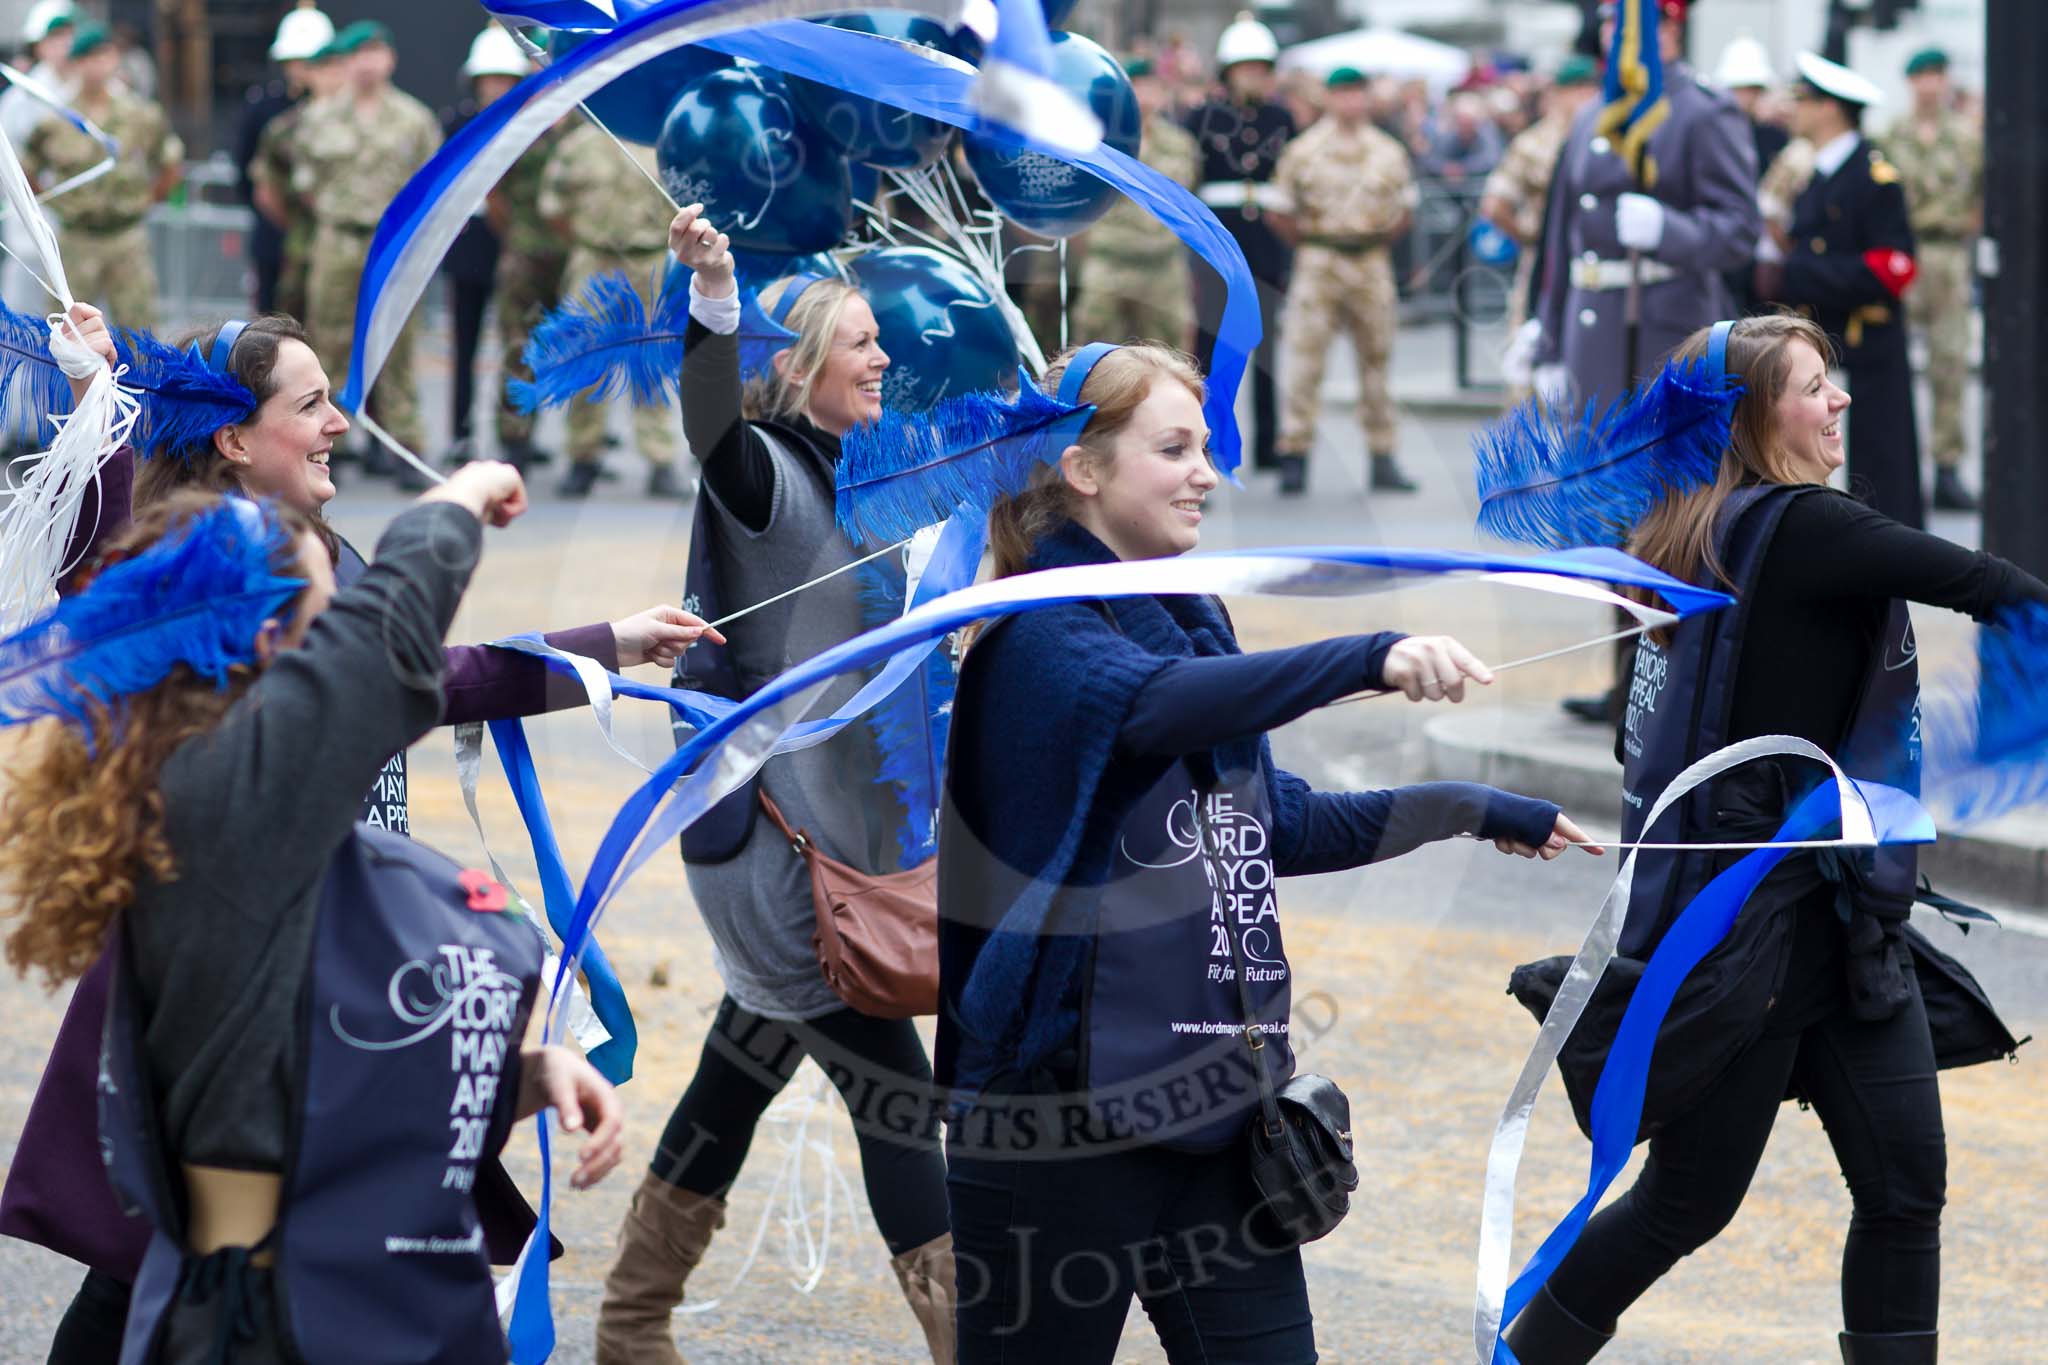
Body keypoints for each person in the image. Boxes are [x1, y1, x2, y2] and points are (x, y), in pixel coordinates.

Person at [0, 305, 720, 1364]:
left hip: (335, 993)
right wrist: (99, 408)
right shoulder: (207, 649)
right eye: (312, 403)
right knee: (181, 1266)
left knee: (182, 1274)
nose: (340, 421)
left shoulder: (313, 555)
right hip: (249, 1004)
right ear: (236, 438)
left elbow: (428, 673)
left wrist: (603, 647)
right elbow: (121, 578)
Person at [937, 339, 1598, 1361]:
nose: (1208, 471)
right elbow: (1149, 709)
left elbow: (1275, 823)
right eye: (1174, 448)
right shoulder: (1035, 633)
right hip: (1052, 1123)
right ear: (1081, 468)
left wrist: (1475, 806)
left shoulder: (1185, 615)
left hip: (1212, 1101)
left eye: (1204, 445)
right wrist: (1365, 656)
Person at [1502, 314, 2037, 1365]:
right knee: (1682, 1206)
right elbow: (1998, 592)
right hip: (1753, 941)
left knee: (1902, 1189)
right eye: (1811, 387)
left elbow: (1636, 738)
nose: (1838, 400)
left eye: (1833, 381)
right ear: (1752, 420)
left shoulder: (1687, 533)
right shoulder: (1803, 530)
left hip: (1837, 927)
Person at [591, 204, 954, 1364]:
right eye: (858, 342)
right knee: (898, 1097)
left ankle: (628, 1324)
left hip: (845, 847)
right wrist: (713, 294)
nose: (882, 357)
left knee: (738, 1069)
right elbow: (708, 419)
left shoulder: (869, 485)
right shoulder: (764, 482)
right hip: (780, 858)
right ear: (799, 370)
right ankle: (977, 1345)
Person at [1529, 0, 1759, 726]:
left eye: (1630, 25)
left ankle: (1679, 677)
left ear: (1669, 31)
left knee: (1675, 518)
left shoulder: (1702, 114)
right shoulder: (1591, 114)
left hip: (1666, 339)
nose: (1614, 38)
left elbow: (1739, 231)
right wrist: (1547, 337)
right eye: (1607, 26)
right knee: (1611, 518)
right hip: (1597, 344)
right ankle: (1627, 675)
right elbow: (1561, 241)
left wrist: (1669, 229)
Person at [1755, 52, 1923, 530]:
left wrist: (1802, 273)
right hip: (1829, 343)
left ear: (1831, 109)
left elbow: (1895, 268)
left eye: (1803, 100)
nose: (1794, 110)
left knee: (1873, 481)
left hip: (1863, 350)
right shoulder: (1821, 174)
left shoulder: (1872, 178)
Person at [293, 19, 442, 468]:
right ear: (346, 61)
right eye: (358, 55)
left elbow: (430, 185)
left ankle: (404, 445)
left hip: (391, 247)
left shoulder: (414, 120)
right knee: (328, 344)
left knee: (396, 344)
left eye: (376, 53)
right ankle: (324, 442)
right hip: (337, 240)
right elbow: (305, 183)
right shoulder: (319, 117)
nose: (367, 64)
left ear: (390, 60)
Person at [1269, 66, 1420, 497]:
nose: (1350, 102)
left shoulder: (1389, 151)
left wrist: (1371, 240)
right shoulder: (1304, 150)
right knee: (1304, 361)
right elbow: (1279, 212)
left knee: (1377, 361)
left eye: (1357, 93)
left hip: (1370, 261)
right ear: (1329, 98)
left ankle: (1382, 454)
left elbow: (1404, 212)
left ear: (1366, 98)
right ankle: (1294, 453)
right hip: (1319, 258)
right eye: (1342, 94)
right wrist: (1315, 243)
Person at [541, 120, 688, 500]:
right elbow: (553, 205)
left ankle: (660, 460)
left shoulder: (663, 146)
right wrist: (587, 240)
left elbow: (687, 203)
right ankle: (582, 457)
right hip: (594, 261)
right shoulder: (578, 146)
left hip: (650, 262)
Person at [1184, 11, 1295, 473]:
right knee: (1207, 354)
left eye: (1261, 68)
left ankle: (1268, 445)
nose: (1255, 77)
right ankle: (1201, 445)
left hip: (1266, 245)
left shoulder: (1282, 118)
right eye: (1246, 68)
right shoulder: (1200, 118)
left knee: (1267, 352)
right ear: (1228, 73)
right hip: (1216, 248)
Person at [21, 22, 182, 329]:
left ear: (114, 59)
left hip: (126, 237)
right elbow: (26, 169)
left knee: (139, 333)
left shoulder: (141, 115)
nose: (96, 66)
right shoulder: (58, 119)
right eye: (87, 58)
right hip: (76, 237)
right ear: (76, 64)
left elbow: (171, 162)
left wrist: (147, 200)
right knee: (66, 331)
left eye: (103, 56)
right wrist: (54, 203)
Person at [1884, 47, 1982, 513]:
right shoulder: (1892, 135)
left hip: (1946, 253)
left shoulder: (1967, 137)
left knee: (1950, 361)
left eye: (1938, 75)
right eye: (1922, 75)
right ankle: (1899, 460)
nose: (1930, 85)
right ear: (1911, 82)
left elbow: (1981, 196)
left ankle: (1946, 465)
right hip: (1905, 253)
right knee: (1893, 359)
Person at [434, 26, 530, 489]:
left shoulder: (531, 125)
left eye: (503, 79)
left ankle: (517, 435)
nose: (495, 88)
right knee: (465, 344)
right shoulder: (457, 123)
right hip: (469, 243)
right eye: (487, 79)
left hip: (519, 249)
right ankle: (460, 430)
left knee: (519, 344)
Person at [1072, 55, 1198, 354]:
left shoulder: (1180, 144)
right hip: (1110, 263)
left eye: (1152, 87)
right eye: (1137, 87)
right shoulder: (1096, 143)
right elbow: (1081, 204)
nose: (1146, 96)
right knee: (1095, 355)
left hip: (1163, 267)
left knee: (1171, 357)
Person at [1482, 54, 1600, 357]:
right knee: (1531, 353)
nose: (1586, 96)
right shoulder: (1533, 143)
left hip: (1597, 265)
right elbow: (1495, 204)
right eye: (1577, 89)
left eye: (1590, 88)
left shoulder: (1606, 137)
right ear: (1558, 94)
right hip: (1545, 262)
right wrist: (1530, 236)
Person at [234, 2, 334, 316]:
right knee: (271, 320)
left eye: (309, 61)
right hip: (276, 235)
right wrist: (277, 216)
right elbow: (248, 170)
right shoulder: (265, 109)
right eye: (293, 61)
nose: (301, 69)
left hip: (328, 236)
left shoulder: (338, 112)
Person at [490, 104, 573, 472]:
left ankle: (584, 450)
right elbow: (494, 193)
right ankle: (516, 436)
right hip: (525, 255)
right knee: (519, 346)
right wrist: (516, 236)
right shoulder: (520, 126)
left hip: (572, 255)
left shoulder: (584, 125)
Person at [250, 33, 345, 327]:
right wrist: (294, 225)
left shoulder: (364, 125)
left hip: (350, 245)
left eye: (336, 68)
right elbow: (266, 187)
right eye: (322, 69)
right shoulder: (286, 127)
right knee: (291, 324)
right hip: (300, 242)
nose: (330, 78)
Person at [0, 0, 73, 318]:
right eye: (54, 38)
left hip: (78, 226)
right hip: (31, 221)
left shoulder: (87, 91)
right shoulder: (23, 95)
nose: (63, 46)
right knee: (25, 314)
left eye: (68, 35)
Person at [1712, 31, 1790, 316]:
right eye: (1739, 88)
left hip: (1763, 253)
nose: (1745, 97)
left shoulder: (1775, 138)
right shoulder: (1711, 136)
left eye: (1753, 89)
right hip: (1724, 247)